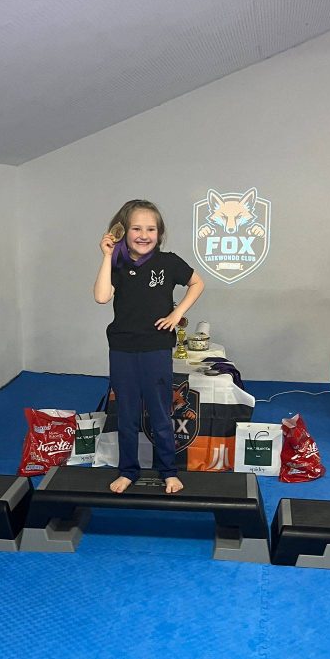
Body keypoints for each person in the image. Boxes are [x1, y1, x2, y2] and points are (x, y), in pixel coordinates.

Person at [94, 199, 205, 495]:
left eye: (151, 229)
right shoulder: (117, 263)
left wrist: (177, 314)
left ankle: (168, 471)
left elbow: (197, 283)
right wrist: (107, 256)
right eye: (136, 229)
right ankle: (127, 471)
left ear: (160, 233)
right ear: (122, 231)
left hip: (156, 348)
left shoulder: (169, 262)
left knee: (160, 413)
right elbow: (102, 297)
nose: (144, 235)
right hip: (122, 349)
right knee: (127, 414)